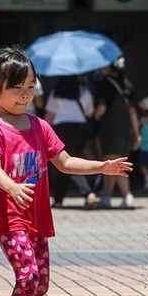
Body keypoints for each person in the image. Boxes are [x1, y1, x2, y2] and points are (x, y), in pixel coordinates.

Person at [0, 46, 132, 296]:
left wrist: (101, 166)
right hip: (10, 217)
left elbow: (66, 161)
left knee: (39, 285)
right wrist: (11, 186)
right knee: (28, 278)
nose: (26, 95)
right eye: (18, 89)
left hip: (38, 218)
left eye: (31, 88)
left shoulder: (39, 126)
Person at [44, 75, 99, 208]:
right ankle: (58, 200)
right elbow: (90, 113)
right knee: (65, 165)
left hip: (62, 130)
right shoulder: (85, 93)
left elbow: (49, 117)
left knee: (66, 163)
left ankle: (88, 193)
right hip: (80, 130)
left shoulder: (56, 94)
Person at [94, 57, 140, 209]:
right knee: (120, 162)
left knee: (109, 162)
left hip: (110, 127)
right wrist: (136, 133)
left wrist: (95, 115)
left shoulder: (104, 84)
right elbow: (133, 111)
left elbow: (102, 109)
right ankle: (128, 196)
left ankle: (106, 196)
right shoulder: (127, 85)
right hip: (125, 127)